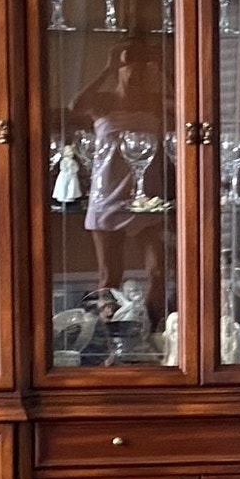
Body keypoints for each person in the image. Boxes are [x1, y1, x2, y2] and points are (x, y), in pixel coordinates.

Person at [65, 39, 173, 327]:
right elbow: (74, 106)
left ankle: (153, 330)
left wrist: (165, 73)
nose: (135, 72)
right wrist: (106, 70)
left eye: (142, 67)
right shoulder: (103, 101)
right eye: (127, 66)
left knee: (158, 271)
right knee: (109, 275)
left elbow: (189, 108)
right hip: (107, 195)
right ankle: (111, 334)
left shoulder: (155, 100)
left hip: (148, 198)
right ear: (119, 69)